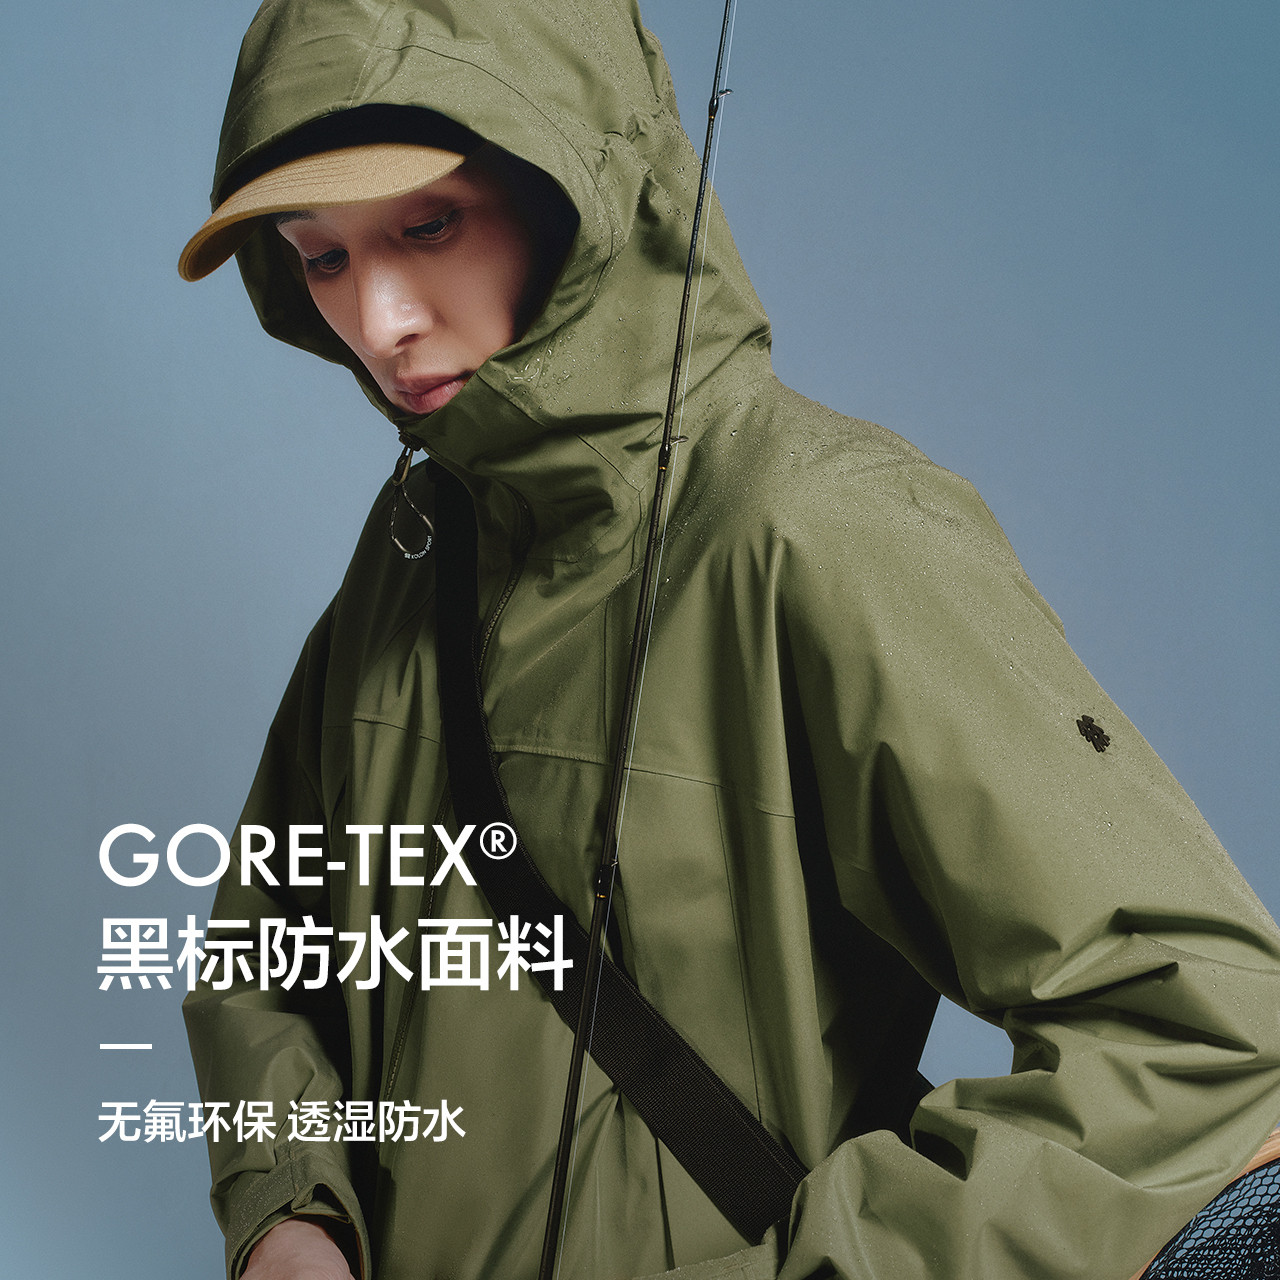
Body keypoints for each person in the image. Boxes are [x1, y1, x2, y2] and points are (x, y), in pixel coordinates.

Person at [179, 2, 1280, 1278]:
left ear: (579, 192)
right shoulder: (418, 544)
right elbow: (263, 946)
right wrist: (289, 1211)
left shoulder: (814, 526)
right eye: (319, 256)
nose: (378, 320)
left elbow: (1205, 1036)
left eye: (429, 227)